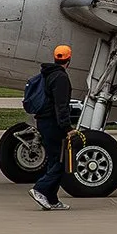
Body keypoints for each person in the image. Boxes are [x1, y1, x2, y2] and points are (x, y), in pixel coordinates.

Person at [30, 45, 74, 211]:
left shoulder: (47, 73)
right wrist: (67, 127)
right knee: (61, 162)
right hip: (53, 123)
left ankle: (52, 199)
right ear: (68, 60)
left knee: (54, 159)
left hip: (44, 121)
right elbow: (60, 105)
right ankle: (40, 189)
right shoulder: (60, 77)